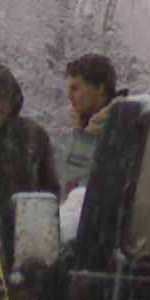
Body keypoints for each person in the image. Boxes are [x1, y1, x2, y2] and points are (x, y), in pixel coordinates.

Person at [0, 63, 59, 274]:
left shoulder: (34, 137)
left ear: (13, 100)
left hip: (25, 246)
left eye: (3, 99)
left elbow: (49, 194)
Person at [59, 53, 124, 197]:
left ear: (100, 87)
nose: (69, 96)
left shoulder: (121, 133)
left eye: (75, 89)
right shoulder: (76, 133)